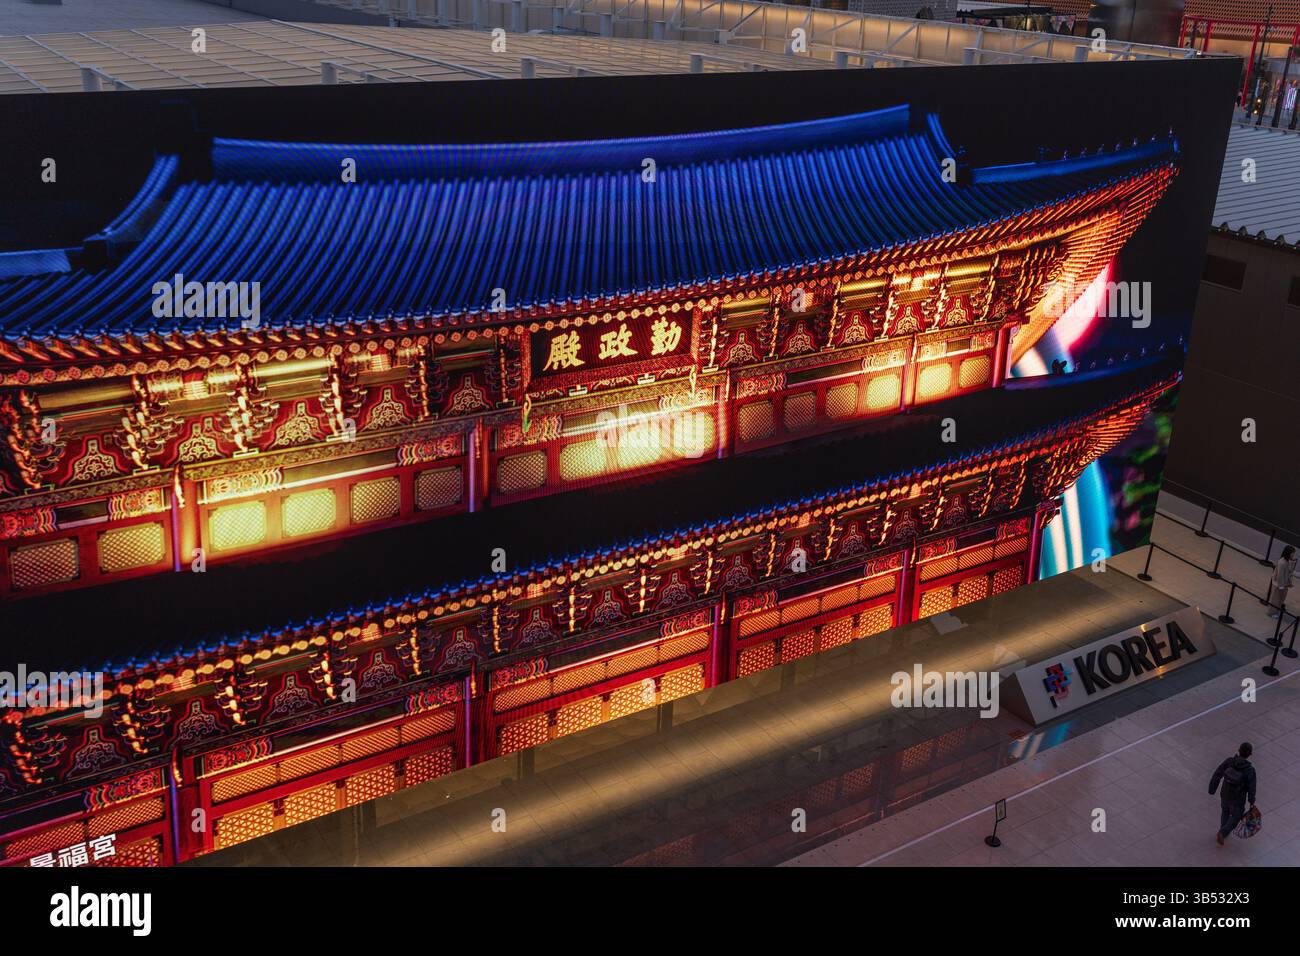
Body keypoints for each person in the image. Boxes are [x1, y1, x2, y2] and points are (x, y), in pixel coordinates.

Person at [1209, 742, 1257, 846]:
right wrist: (1251, 801)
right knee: (1236, 816)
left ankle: (1223, 832)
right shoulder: (1250, 771)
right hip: (1237, 800)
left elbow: (1218, 773)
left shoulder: (1229, 761)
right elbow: (1252, 788)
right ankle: (1223, 832)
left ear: (1239, 750)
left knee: (1225, 811)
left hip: (1225, 794)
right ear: (1250, 754)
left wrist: (1212, 789)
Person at [1268, 545, 1297, 619]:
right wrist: (1281, 586)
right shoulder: (1282, 562)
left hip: (1284, 584)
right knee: (1276, 599)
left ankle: (1276, 611)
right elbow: (1279, 576)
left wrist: (1293, 562)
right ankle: (1272, 613)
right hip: (1279, 585)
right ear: (1288, 553)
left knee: (1281, 599)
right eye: (1292, 553)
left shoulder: (1287, 561)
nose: (1293, 555)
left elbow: (1290, 571)